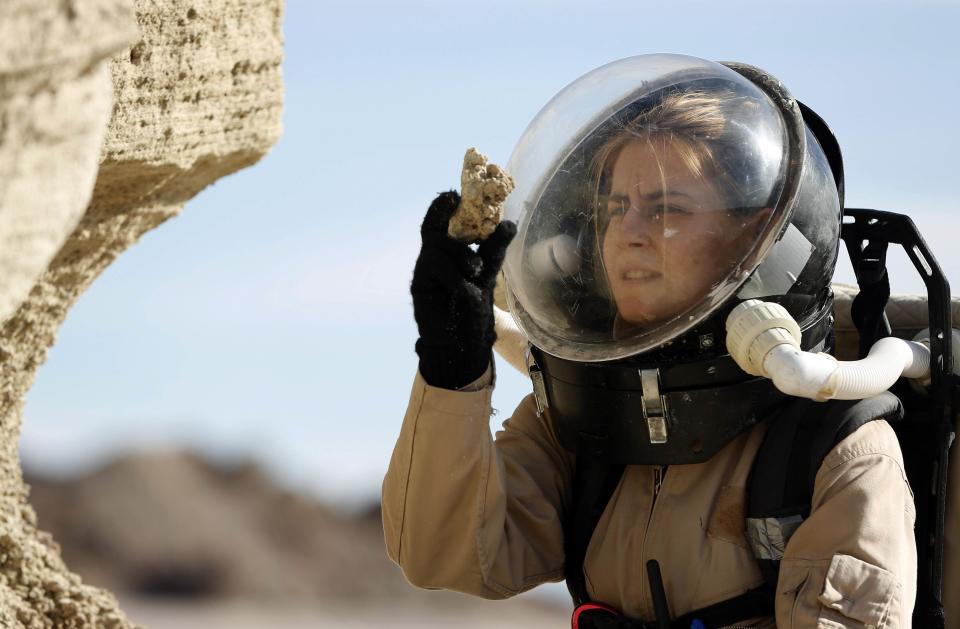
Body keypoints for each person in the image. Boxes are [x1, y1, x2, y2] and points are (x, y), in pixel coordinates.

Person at [383, 54, 917, 628]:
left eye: (667, 210)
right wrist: (453, 369)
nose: (629, 234)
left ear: (756, 237)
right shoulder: (581, 413)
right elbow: (448, 557)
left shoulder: (838, 448)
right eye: (617, 208)